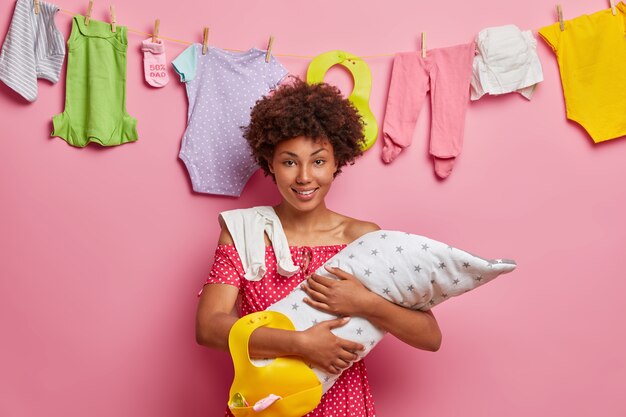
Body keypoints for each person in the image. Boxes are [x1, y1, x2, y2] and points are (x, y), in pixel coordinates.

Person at [195, 78, 442, 417]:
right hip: (267, 405)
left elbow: (430, 336)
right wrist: (300, 344)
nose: (304, 177)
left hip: (345, 406)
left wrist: (365, 302)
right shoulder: (242, 233)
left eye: (319, 161)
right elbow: (209, 327)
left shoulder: (363, 238)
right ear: (270, 163)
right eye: (289, 161)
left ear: (337, 161)